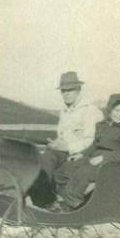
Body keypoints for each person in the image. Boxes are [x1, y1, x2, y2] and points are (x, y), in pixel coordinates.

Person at [27, 71, 104, 207]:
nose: (66, 94)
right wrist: (56, 143)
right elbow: (62, 135)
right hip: (63, 152)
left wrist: (67, 147)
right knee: (43, 161)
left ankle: (48, 203)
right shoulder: (64, 111)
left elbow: (92, 141)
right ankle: (44, 201)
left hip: (82, 154)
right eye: (63, 91)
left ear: (79, 90)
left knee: (53, 163)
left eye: (70, 90)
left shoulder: (90, 111)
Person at [52, 93, 120, 211]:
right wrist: (81, 154)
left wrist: (103, 157)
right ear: (110, 110)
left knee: (83, 173)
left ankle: (73, 205)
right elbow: (95, 145)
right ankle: (70, 200)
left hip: (113, 164)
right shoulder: (103, 125)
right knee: (64, 170)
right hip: (94, 157)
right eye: (117, 110)